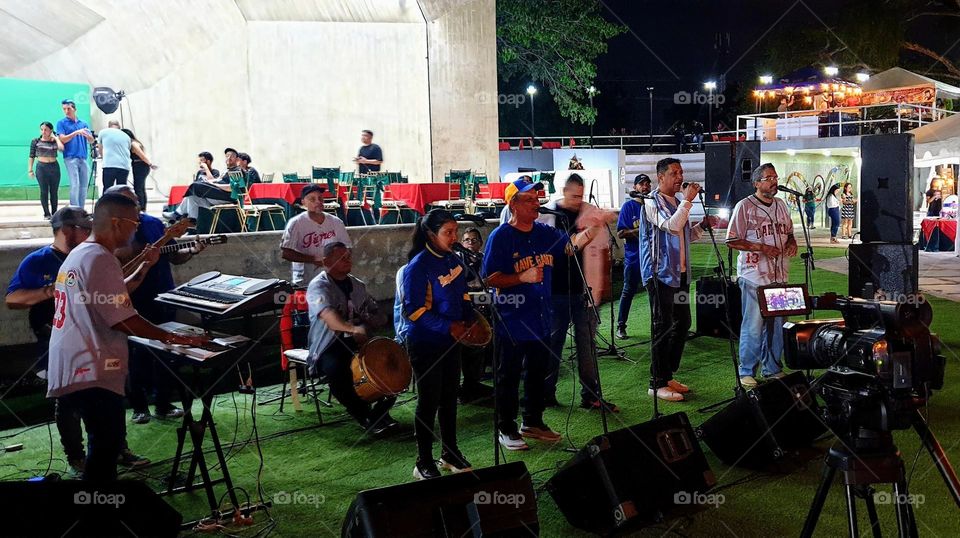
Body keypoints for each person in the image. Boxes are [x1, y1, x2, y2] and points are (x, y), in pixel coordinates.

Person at [46, 193, 209, 482]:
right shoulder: (99, 258)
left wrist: (145, 266)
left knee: (104, 443)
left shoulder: (82, 253)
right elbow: (123, 319)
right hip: (92, 365)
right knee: (104, 446)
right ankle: (96, 509)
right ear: (117, 222)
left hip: (75, 360)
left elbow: (113, 295)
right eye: (134, 223)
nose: (137, 229)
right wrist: (173, 338)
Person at [482, 178, 593, 450]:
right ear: (514, 205)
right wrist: (522, 276)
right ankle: (506, 428)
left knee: (537, 372)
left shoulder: (544, 232)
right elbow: (490, 278)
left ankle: (532, 421)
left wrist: (593, 228)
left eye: (536, 198)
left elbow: (570, 247)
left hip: (541, 317)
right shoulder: (501, 237)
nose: (536, 203)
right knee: (508, 375)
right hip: (512, 319)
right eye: (529, 199)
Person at [6, 207, 91, 475]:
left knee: (102, 396)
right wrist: (49, 291)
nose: (90, 233)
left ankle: (114, 448)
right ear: (67, 230)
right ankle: (76, 456)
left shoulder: (92, 256)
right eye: (84, 228)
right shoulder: (37, 261)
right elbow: (13, 299)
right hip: (54, 341)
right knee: (67, 399)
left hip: (92, 337)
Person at [108, 185, 201, 424]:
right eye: (129, 202)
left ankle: (163, 403)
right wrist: (141, 257)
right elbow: (117, 259)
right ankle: (139, 406)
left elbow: (173, 256)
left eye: (136, 201)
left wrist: (191, 250)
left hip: (163, 296)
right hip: (131, 299)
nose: (136, 206)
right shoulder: (111, 230)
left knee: (167, 350)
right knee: (134, 355)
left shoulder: (153, 223)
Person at [402, 209, 476, 479]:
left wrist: (468, 319)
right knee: (429, 401)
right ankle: (423, 461)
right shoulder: (418, 266)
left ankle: (450, 452)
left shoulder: (453, 259)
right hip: (426, 344)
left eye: (455, 231)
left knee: (449, 398)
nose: (454, 237)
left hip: (450, 342)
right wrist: (449, 326)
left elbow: (463, 293)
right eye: (448, 233)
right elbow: (413, 310)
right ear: (430, 235)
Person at [539, 174, 616, 412]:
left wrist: (602, 283)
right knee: (553, 344)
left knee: (587, 346)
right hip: (554, 292)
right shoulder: (547, 215)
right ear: (563, 191)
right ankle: (545, 393)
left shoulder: (592, 213)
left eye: (580, 195)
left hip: (584, 291)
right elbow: (565, 249)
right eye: (574, 195)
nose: (577, 200)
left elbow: (602, 250)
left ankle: (590, 394)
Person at [639, 158, 713, 402]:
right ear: (661, 178)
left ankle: (666, 374)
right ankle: (656, 382)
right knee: (662, 325)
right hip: (659, 273)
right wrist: (689, 201)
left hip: (679, 274)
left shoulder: (678, 202)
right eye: (674, 173)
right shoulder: (652, 202)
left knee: (682, 322)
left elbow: (684, 235)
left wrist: (701, 226)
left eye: (681, 172)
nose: (680, 177)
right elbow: (670, 226)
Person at [306, 242, 396, 434]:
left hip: (357, 340)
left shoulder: (357, 285)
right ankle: (364, 415)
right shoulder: (318, 286)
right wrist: (353, 328)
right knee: (336, 370)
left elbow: (373, 312)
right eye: (342, 257)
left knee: (389, 360)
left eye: (348, 257)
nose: (348, 261)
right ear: (326, 261)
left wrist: (377, 318)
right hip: (329, 345)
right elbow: (329, 317)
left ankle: (380, 410)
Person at [725, 164, 797, 388]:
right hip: (755, 276)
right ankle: (746, 371)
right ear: (756, 183)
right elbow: (731, 239)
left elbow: (790, 231)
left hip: (780, 275)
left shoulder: (782, 205)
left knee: (778, 325)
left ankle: (773, 368)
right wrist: (761, 247)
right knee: (754, 326)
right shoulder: (744, 206)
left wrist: (792, 242)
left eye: (775, 177)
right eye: (769, 178)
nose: (774, 181)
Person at [280, 184, 352, 287]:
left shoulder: (336, 222)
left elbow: (347, 247)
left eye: (320, 198)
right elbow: (286, 253)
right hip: (306, 281)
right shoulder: (296, 223)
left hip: (333, 279)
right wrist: (314, 259)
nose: (318, 202)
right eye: (312, 199)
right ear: (303, 202)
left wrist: (340, 258)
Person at [455, 227, 493, 403]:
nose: (470, 243)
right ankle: (470, 384)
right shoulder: (456, 261)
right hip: (466, 305)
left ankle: (480, 373)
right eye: (467, 240)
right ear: (462, 243)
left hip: (483, 300)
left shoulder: (485, 258)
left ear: (480, 243)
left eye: (474, 240)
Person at [616, 173, 652, 339]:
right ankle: (621, 326)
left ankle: (658, 327)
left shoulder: (653, 204)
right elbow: (621, 233)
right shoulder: (628, 207)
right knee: (628, 291)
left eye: (647, 184)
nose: (645, 187)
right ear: (635, 187)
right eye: (642, 184)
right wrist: (642, 230)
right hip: (634, 258)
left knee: (655, 293)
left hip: (652, 259)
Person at [163, 152, 230, 222]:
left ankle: (178, 215)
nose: (200, 163)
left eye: (202, 160)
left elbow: (213, 182)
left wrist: (206, 168)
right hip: (201, 197)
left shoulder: (215, 172)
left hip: (210, 197)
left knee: (191, 194)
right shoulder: (199, 173)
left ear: (208, 161)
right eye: (200, 160)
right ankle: (190, 219)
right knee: (191, 195)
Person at [56, 99, 95, 207]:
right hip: (70, 157)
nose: (66, 111)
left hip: (83, 157)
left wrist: (89, 137)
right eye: (64, 109)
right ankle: (74, 210)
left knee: (84, 186)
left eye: (69, 108)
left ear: (74, 109)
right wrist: (76, 132)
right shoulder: (61, 123)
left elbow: (91, 141)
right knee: (75, 184)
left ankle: (81, 209)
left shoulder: (83, 123)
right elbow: (63, 139)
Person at [28, 122, 64, 219]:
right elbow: (31, 155)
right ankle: (46, 213)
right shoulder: (36, 141)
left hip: (54, 167)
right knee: (44, 191)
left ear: (50, 131)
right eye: (42, 129)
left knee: (54, 191)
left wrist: (56, 138)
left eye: (46, 130)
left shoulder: (54, 141)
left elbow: (61, 148)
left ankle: (55, 213)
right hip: (41, 167)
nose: (43, 132)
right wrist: (30, 170)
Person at [121, 129, 157, 212]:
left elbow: (142, 155)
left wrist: (150, 164)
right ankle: (143, 207)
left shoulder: (133, 144)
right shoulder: (135, 142)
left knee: (138, 188)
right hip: (140, 166)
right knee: (141, 187)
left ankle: (141, 207)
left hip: (140, 166)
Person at [98, 120, 132, 190]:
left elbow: (100, 148)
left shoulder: (103, 132)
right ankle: (120, 201)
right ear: (119, 126)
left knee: (108, 188)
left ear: (109, 126)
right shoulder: (126, 136)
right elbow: (128, 148)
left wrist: (103, 158)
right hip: (124, 166)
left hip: (109, 164)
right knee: (121, 189)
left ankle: (107, 201)